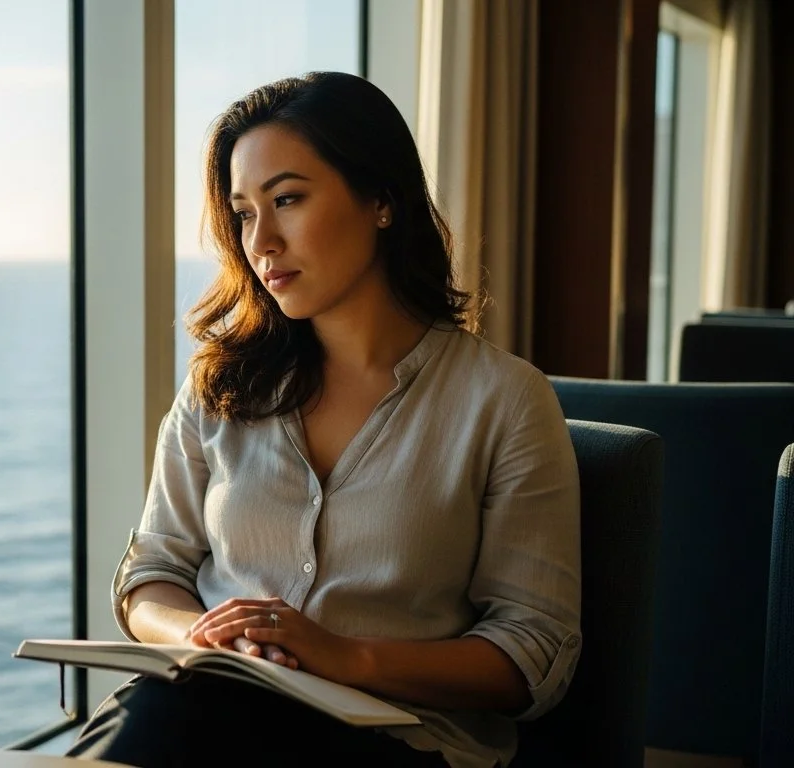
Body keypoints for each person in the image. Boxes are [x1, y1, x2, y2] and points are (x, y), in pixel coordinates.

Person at [64, 72, 581, 768]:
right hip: (209, 708)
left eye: (287, 199)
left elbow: (533, 655)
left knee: (163, 719)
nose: (262, 240)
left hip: (395, 743)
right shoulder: (218, 388)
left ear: (381, 202)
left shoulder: (506, 401)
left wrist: (343, 656)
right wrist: (208, 637)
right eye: (243, 212)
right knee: (163, 706)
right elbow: (152, 574)